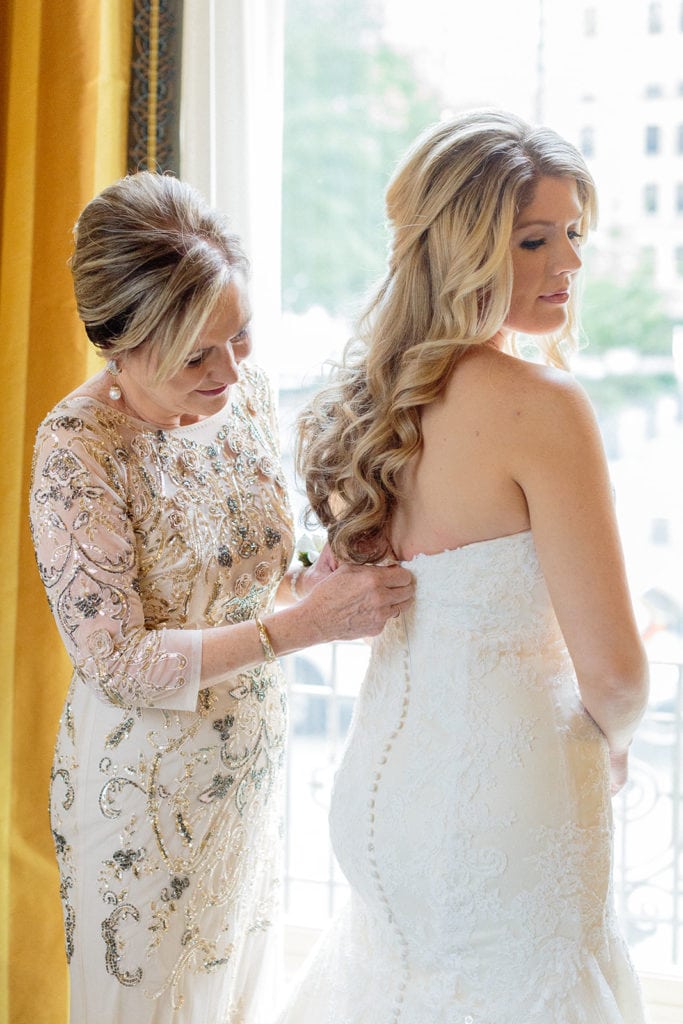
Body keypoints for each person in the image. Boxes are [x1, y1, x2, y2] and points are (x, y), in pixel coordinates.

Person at [277, 109, 650, 1024]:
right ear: (462, 246)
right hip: (508, 808)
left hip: (377, 802)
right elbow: (614, 673)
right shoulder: (542, 408)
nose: (566, 263)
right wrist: (617, 738)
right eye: (533, 239)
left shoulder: (367, 404)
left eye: (573, 234)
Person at [28, 171, 414, 1024]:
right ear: (119, 343)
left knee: (238, 990)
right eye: (198, 353)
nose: (230, 369)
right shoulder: (76, 450)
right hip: (140, 792)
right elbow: (117, 660)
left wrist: (313, 583)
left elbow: (244, 568)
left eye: (240, 337)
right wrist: (300, 628)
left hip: (244, 767)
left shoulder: (244, 398)